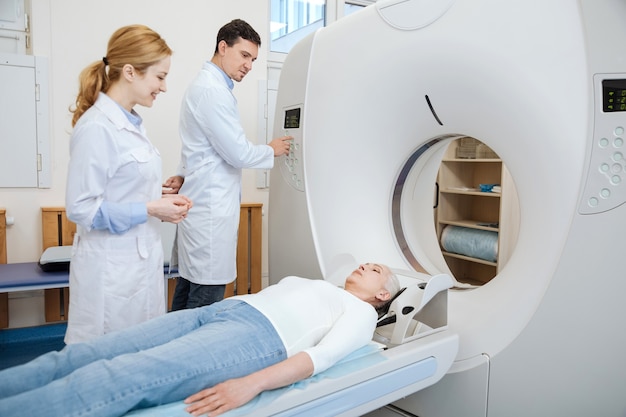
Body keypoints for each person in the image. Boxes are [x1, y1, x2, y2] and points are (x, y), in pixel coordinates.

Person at [0, 263, 400, 417]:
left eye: (375, 269)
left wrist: (252, 383)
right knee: (84, 354)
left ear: (383, 295)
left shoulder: (362, 314)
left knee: (120, 375)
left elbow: (323, 356)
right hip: (220, 312)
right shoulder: (320, 283)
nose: (363, 264)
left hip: (256, 338)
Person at [64, 25, 193, 345]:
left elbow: (121, 187)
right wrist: (151, 207)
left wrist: (158, 200)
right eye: (160, 77)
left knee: (137, 351)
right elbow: (82, 208)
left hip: (137, 265)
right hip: (110, 271)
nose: (163, 87)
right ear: (131, 72)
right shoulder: (97, 127)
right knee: (103, 359)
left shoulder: (132, 123)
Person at [163, 19, 292, 310]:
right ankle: (193, 355)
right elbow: (238, 153)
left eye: (254, 59)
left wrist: (183, 174)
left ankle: (174, 349)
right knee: (204, 302)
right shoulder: (212, 91)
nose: (249, 65)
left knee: (187, 292)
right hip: (209, 211)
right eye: (244, 55)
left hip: (203, 204)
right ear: (223, 47)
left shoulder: (208, 86)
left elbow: (197, 147)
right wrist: (272, 150)